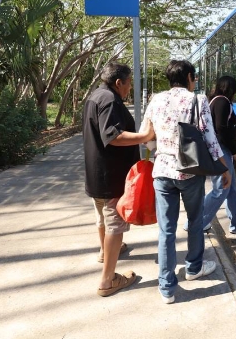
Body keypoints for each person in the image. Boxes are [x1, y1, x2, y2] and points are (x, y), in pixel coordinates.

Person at [142, 60, 231, 304]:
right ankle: (193, 267)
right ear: (190, 77)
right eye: (194, 77)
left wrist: (163, 148)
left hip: (162, 172)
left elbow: (147, 138)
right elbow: (210, 138)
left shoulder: (156, 100)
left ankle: (167, 288)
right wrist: (223, 167)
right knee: (195, 221)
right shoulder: (198, 100)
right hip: (190, 172)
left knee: (166, 230)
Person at [83, 62, 155, 297]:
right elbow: (113, 136)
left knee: (103, 218)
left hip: (96, 173)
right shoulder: (110, 100)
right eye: (129, 83)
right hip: (111, 175)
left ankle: (105, 252)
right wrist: (144, 136)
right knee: (115, 225)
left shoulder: (96, 96)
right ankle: (108, 281)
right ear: (118, 82)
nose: (129, 87)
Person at [193, 76, 236, 237]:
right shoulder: (222, 102)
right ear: (231, 89)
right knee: (221, 189)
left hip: (220, 149)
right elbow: (221, 130)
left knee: (231, 190)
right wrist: (234, 151)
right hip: (221, 150)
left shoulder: (216, 101)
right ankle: (195, 222)